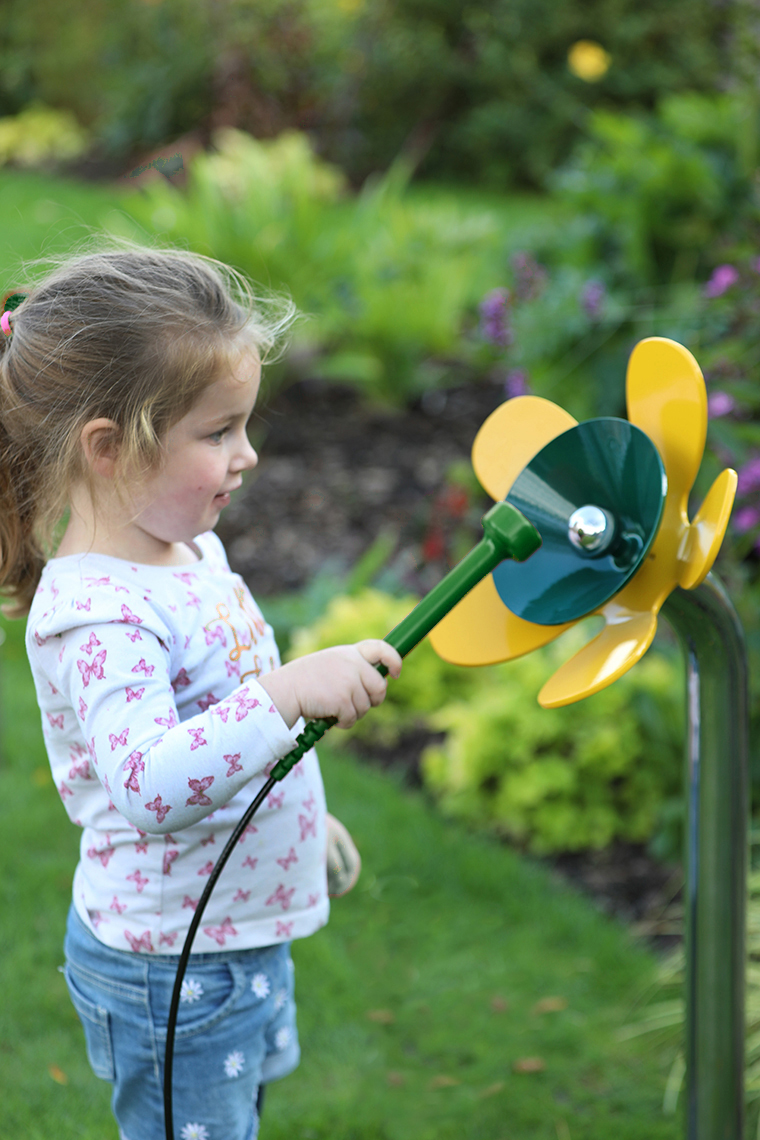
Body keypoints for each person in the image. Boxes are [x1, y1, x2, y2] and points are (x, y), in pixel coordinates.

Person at [0, 241, 402, 1140]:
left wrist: (298, 817)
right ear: (110, 448)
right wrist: (288, 693)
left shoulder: (188, 554)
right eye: (218, 433)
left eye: (244, 426)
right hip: (173, 963)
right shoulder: (100, 615)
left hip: (231, 930)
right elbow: (150, 782)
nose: (247, 455)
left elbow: (217, 720)